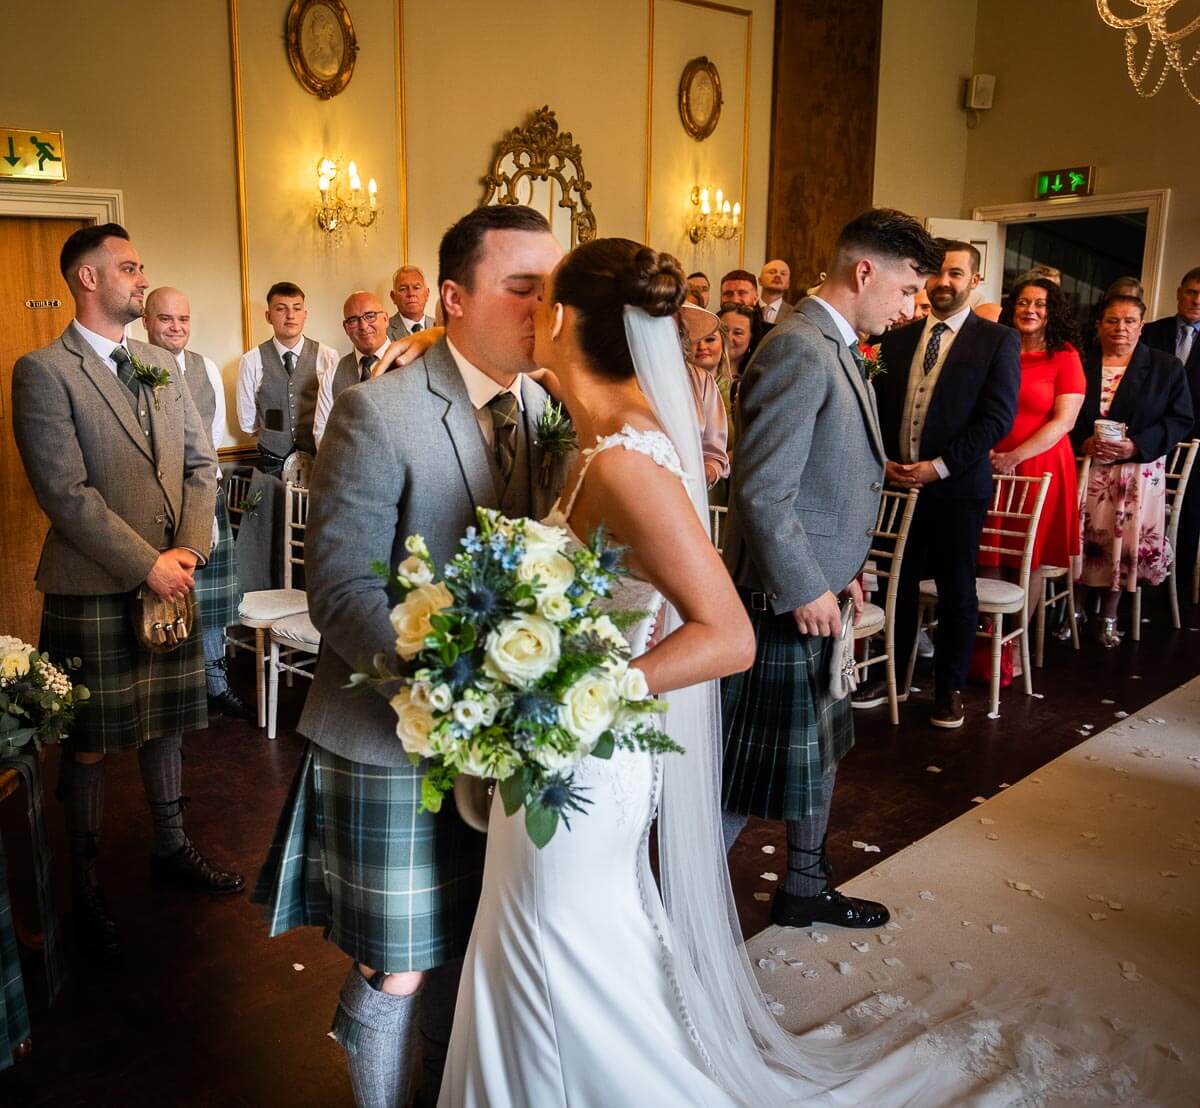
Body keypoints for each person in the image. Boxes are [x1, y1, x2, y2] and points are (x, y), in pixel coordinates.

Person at [252, 204, 564, 1108]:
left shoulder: (543, 407)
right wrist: (456, 693)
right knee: (398, 963)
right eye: (521, 288)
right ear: (455, 299)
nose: (543, 309)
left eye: (550, 289)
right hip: (391, 733)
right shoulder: (377, 411)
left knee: (468, 942)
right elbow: (343, 591)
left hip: (502, 740)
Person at [11, 224, 244, 957]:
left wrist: (190, 549)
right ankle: (82, 880)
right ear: (88, 278)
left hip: (173, 576)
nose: (142, 279)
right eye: (130, 267)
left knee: (167, 725)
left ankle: (170, 847)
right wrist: (148, 564)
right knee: (88, 742)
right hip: (92, 587)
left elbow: (203, 465)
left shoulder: (160, 363)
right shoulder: (43, 371)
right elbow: (65, 493)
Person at [721, 208, 940, 932]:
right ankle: (676, 915)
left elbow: (821, 477)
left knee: (816, 754)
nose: (910, 309)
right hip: (778, 601)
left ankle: (805, 885)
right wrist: (804, 583)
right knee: (747, 775)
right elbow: (762, 489)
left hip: (816, 589)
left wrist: (840, 566)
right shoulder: (799, 347)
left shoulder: (835, 344)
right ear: (864, 271)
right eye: (906, 290)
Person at [875, 240, 1020, 729]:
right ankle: (892, 677)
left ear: (974, 281)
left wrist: (938, 467)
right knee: (896, 585)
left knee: (957, 590)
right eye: (936, 273)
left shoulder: (996, 341)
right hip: (899, 485)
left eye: (955, 273)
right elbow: (878, 407)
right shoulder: (897, 339)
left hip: (956, 488)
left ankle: (948, 689)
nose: (943, 282)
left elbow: (996, 420)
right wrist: (886, 460)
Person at [143, 286, 252, 721]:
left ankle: (215, 683)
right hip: (156, 507)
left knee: (211, 601)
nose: (176, 327)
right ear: (146, 322)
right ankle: (174, 693)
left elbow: (215, 435)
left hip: (204, 498)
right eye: (166, 319)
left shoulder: (205, 367)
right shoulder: (129, 367)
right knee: (165, 599)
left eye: (183, 319)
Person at [1070, 293, 1193, 645]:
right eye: (1112, 320)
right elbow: (1062, 414)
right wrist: (1082, 442)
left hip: (1136, 471)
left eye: (1129, 321)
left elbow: (1181, 419)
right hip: (1086, 468)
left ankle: (1109, 614)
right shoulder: (1080, 362)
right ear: (1099, 325)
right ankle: (1075, 610)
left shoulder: (1165, 366)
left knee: (1122, 543)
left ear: (1141, 327)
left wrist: (1136, 445)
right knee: (1081, 539)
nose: (1120, 328)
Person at [977, 278, 1086, 614]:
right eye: (1023, 302)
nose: (1030, 310)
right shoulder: (997, 348)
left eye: (1040, 304)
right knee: (988, 550)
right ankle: (988, 633)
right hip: (991, 462)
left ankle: (1015, 635)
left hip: (1040, 465)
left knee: (1029, 555)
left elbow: (1064, 422)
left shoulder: (1065, 356)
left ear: (1053, 312)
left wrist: (1013, 456)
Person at [235, 282, 337, 475]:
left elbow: (335, 412)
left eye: (296, 308)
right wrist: (275, 434)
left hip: (318, 460)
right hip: (271, 462)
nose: (290, 315)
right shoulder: (251, 360)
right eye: (281, 309)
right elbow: (248, 422)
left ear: (305, 315)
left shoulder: (327, 356)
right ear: (268, 316)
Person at [1141, 266, 1200, 590]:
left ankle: (1175, 587)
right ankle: (1138, 581)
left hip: (1196, 444)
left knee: (1188, 515)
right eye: (1191, 292)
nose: (1197, 300)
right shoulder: (1150, 333)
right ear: (1179, 293)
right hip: (1151, 439)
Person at [316, 291, 393, 447]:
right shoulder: (331, 375)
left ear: (385, 319)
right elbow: (322, 436)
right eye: (353, 320)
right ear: (346, 328)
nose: (363, 326)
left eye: (370, 316)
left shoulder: (410, 363)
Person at [679, 304, 731, 488]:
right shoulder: (625, 378)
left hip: (691, 490)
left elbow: (714, 454)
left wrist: (704, 472)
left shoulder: (701, 380)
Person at [386, 264, 436, 340]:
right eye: (403, 289)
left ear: (427, 294)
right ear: (393, 297)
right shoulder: (384, 330)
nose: (411, 293)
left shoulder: (441, 327)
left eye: (416, 288)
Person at [758, 258, 794, 323]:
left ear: (788, 284)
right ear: (760, 281)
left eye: (783, 274)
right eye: (772, 272)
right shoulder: (747, 309)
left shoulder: (794, 315)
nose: (778, 275)